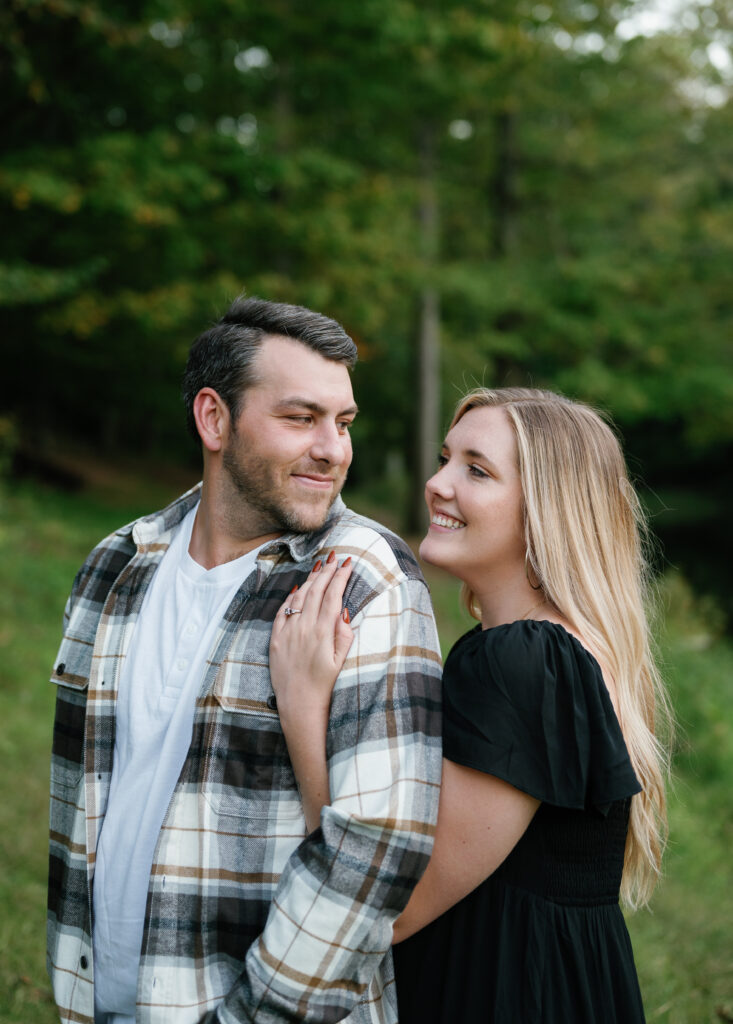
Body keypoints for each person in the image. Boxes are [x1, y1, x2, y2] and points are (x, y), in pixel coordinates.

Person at [47, 297, 443, 1024]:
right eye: (301, 418)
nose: (333, 448)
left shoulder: (362, 579)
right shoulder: (114, 564)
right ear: (213, 419)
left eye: (343, 422)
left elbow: (372, 848)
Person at [269, 386, 671, 1023]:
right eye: (445, 458)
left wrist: (302, 707)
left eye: (476, 470)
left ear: (548, 509)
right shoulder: (559, 650)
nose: (437, 483)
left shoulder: (526, 661)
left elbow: (385, 910)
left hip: (503, 991)